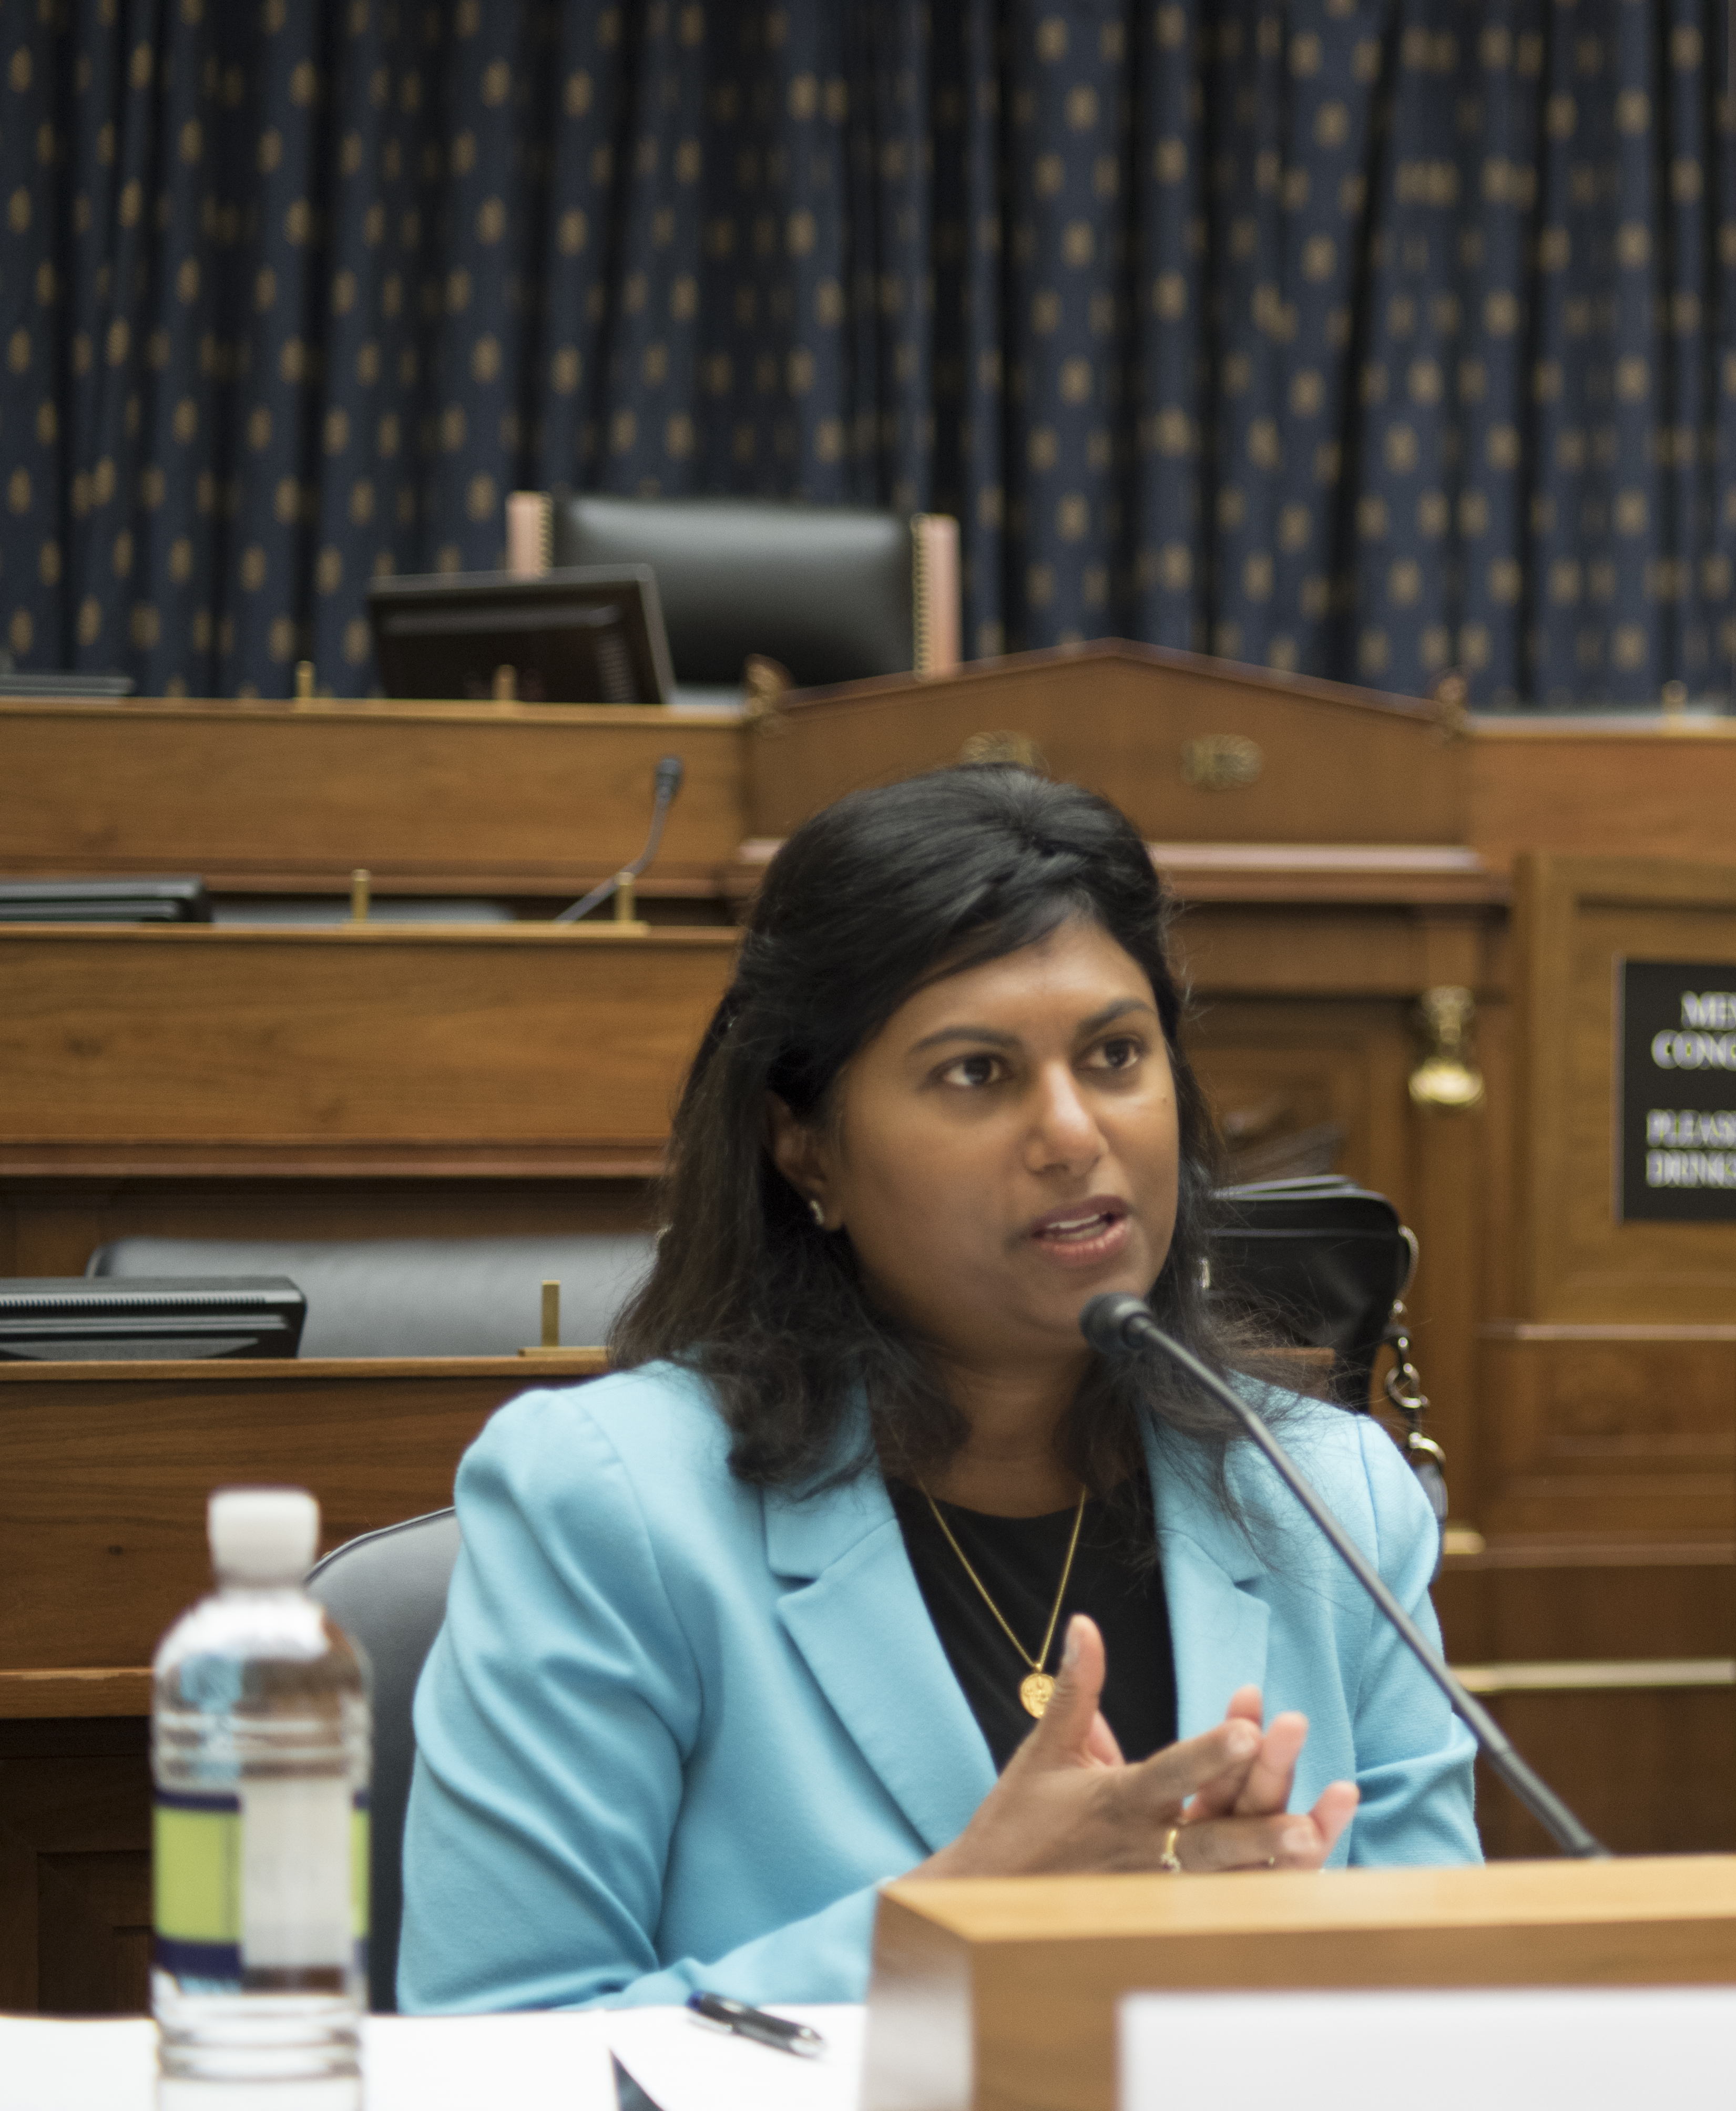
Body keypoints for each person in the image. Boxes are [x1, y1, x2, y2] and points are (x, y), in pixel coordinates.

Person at [401, 766, 1479, 2012]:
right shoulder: (608, 1507)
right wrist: (958, 1922)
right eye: (976, 1072)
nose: (1074, 1130)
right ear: (803, 1145)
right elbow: (492, 2052)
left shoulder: (1328, 1495)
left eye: (1116, 1054)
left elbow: (1445, 2007)